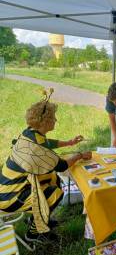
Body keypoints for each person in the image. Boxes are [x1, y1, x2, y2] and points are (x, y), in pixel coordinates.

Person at [0, 90, 92, 243]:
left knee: (53, 179)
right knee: (54, 194)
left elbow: (47, 143)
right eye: (53, 118)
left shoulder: (30, 133)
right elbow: (62, 165)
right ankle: (33, 233)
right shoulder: (37, 149)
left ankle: (40, 219)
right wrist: (80, 155)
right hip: (9, 196)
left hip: (11, 185)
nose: (56, 120)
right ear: (45, 122)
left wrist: (69, 143)